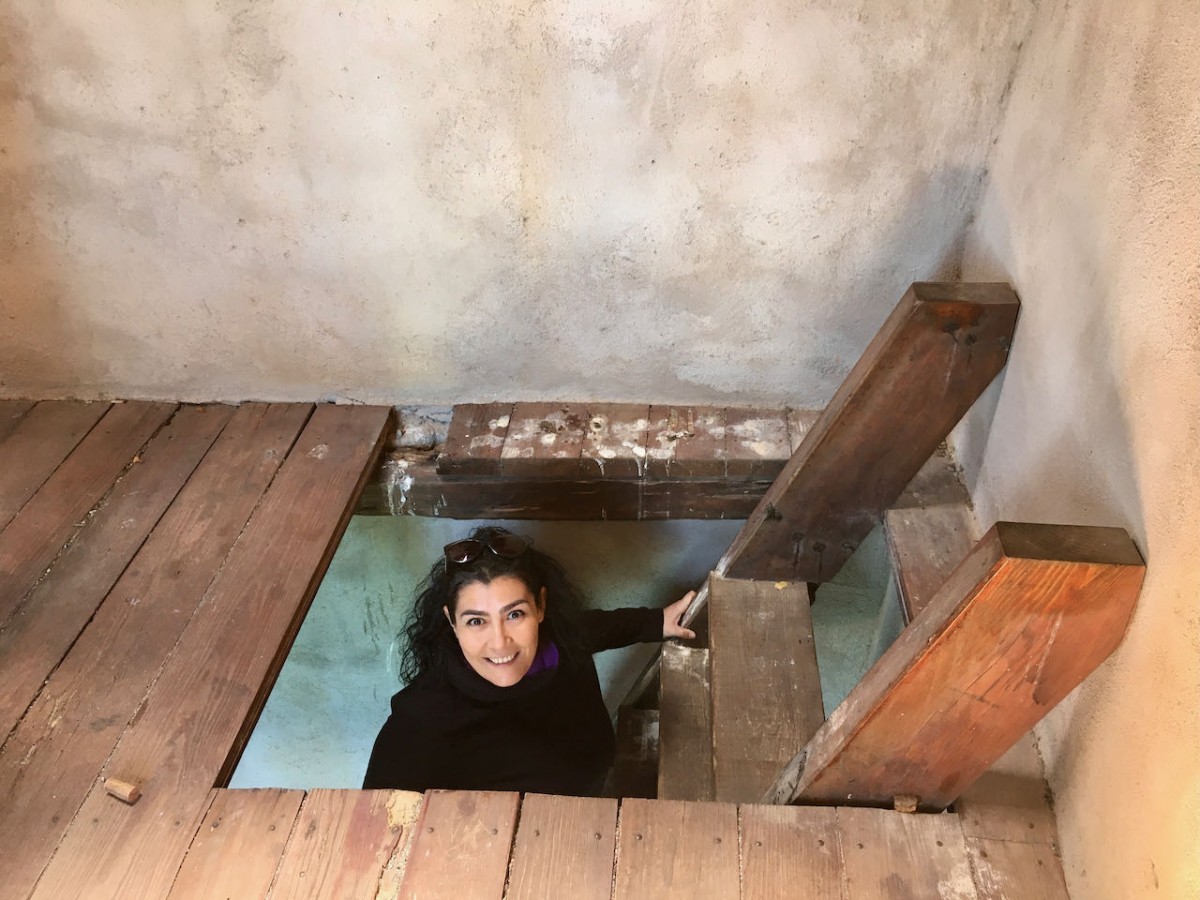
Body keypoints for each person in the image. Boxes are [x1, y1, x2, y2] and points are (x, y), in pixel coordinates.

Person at [362, 525, 696, 796]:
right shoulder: (421, 719)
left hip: (595, 788)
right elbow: (376, 820)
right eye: (476, 621)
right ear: (451, 621)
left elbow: (602, 627)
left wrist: (657, 621)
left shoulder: (564, 637)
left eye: (514, 614)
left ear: (540, 607)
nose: (499, 642)